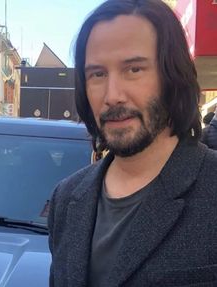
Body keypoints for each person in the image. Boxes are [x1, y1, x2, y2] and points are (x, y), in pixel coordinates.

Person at [48, 0, 217, 286]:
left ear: (171, 76)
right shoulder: (66, 198)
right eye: (98, 74)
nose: (113, 95)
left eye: (134, 70)